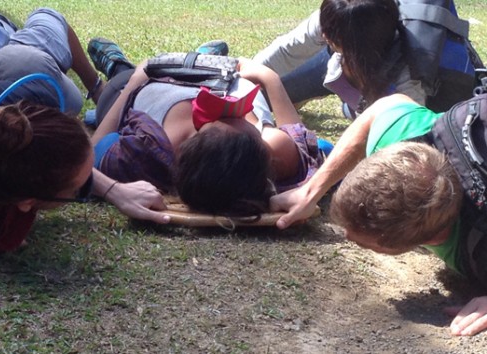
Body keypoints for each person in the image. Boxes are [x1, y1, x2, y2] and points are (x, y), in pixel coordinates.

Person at [269, 92, 487, 336]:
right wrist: (311, 191)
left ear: (430, 239)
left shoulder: (479, 251)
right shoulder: (399, 137)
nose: (347, 237)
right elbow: (384, 107)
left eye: (370, 246)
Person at [0, 70, 170, 255]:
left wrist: (114, 190)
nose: (85, 187)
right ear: (26, 202)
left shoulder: (4, 125)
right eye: (76, 191)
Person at [87, 38, 325, 216]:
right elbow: (316, 148)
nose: (232, 108)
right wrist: (270, 79)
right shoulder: (272, 149)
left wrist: (136, 80)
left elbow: (96, 148)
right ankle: (202, 55)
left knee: (119, 80)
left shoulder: (148, 152)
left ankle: (115, 64)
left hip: (144, 83)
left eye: (229, 117)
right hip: (218, 73)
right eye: (244, 120)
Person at [254, 0, 439, 114]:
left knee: (355, 113)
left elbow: (404, 140)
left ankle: (349, 104)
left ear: (353, 47)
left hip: (375, 92)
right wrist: (245, 76)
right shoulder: (341, 14)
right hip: (345, 67)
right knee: (264, 94)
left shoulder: (408, 78)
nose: (323, 36)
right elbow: (286, 50)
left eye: (328, 35)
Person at [0, 7, 107, 112]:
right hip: (13, 63)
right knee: (69, 100)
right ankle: (101, 83)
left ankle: (98, 87)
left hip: (2, 60)